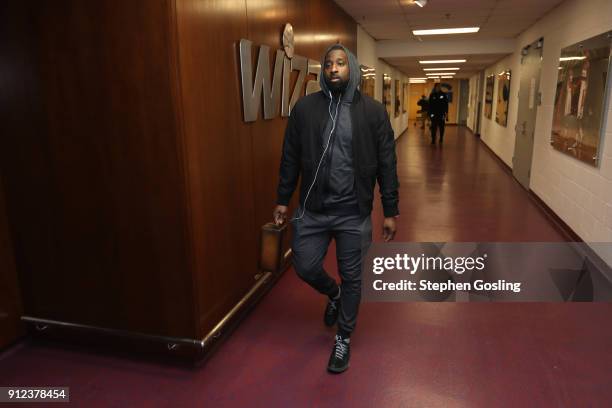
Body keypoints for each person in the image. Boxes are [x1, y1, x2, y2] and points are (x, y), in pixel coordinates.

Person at [272, 43, 399, 374]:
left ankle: (343, 335)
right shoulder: (305, 109)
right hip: (313, 210)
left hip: (352, 213)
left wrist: (390, 209)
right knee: (304, 265)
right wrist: (283, 199)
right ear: (323, 71)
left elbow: (387, 163)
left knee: (353, 276)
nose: (333, 68)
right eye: (328, 63)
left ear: (352, 68)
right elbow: (289, 158)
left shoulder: (372, 112)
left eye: (341, 63)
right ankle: (333, 293)